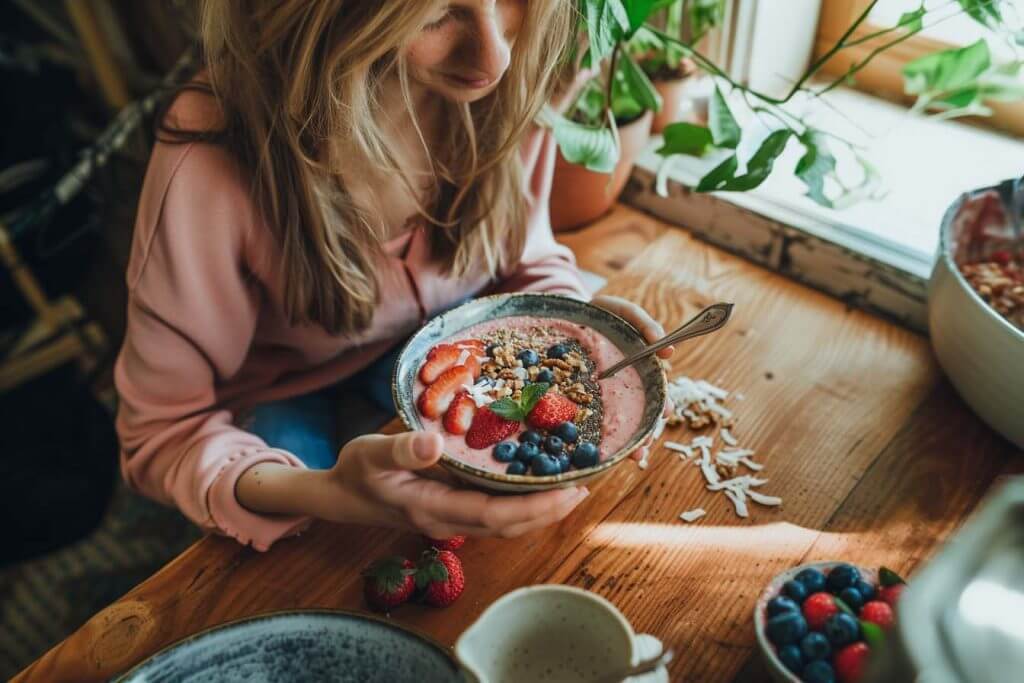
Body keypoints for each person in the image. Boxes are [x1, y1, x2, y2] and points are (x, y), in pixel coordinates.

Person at [115, 0, 672, 552]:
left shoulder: (514, 74)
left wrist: (566, 319)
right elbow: (162, 433)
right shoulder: (209, 156)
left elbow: (524, 257)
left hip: (440, 356)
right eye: (435, 15)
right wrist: (329, 493)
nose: (496, 56)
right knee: (316, 560)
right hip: (275, 393)